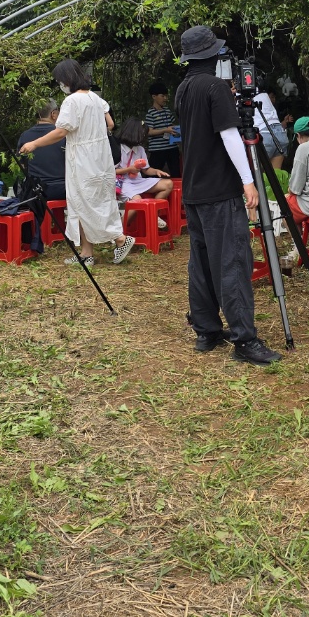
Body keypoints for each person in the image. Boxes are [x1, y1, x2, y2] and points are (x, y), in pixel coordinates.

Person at [173, 26, 280, 366]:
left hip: (194, 189)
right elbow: (231, 136)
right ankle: (244, 339)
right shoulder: (216, 88)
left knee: (201, 263)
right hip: (220, 190)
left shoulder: (183, 88)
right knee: (232, 262)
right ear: (214, 54)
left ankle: (206, 330)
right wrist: (248, 180)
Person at [18, 59, 135, 267]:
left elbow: (61, 131)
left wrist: (34, 144)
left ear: (66, 79)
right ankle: (86, 252)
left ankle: (120, 239)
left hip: (83, 158)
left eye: (59, 80)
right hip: (100, 157)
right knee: (92, 201)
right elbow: (110, 124)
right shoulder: (96, 99)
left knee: (85, 202)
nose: (59, 84)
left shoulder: (72, 101)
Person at [17, 101, 66, 202]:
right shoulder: (62, 135)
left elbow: (22, 166)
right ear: (53, 114)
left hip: (36, 191)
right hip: (62, 189)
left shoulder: (25, 136)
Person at [116, 117, 174, 202]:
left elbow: (146, 170)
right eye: (141, 134)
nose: (143, 136)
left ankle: (152, 212)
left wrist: (156, 171)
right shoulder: (118, 149)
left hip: (138, 181)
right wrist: (129, 169)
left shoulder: (140, 149)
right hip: (124, 183)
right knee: (137, 201)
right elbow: (111, 171)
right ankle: (130, 215)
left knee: (168, 184)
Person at [144, 82, 181, 177]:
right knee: (154, 175)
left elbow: (172, 126)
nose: (165, 98)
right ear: (154, 96)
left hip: (172, 148)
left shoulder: (167, 111)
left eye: (166, 96)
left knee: (176, 173)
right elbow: (149, 131)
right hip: (157, 150)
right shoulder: (150, 113)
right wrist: (165, 130)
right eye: (162, 96)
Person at [252, 81, 289, 168]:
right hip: (280, 133)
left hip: (263, 134)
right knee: (276, 176)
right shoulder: (264, 93)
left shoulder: (241, 95)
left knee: (257, 176)